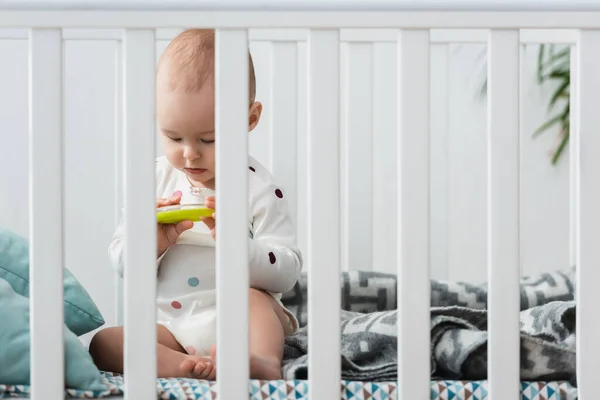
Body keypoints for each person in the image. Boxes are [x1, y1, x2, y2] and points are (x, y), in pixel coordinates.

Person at [89, 28, 302, 381]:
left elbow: (287, 271)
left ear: (249, 119)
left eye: (209, 139)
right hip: (173, 325)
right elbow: (122, 260)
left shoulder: (259, 188)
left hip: (241, 318)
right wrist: (151, 241)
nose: (189, 153)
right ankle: (183, 367)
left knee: (256, 302)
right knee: (104, 342)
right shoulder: (154, 181)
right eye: (173, 137)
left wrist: (240, 247)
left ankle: (260, 362)